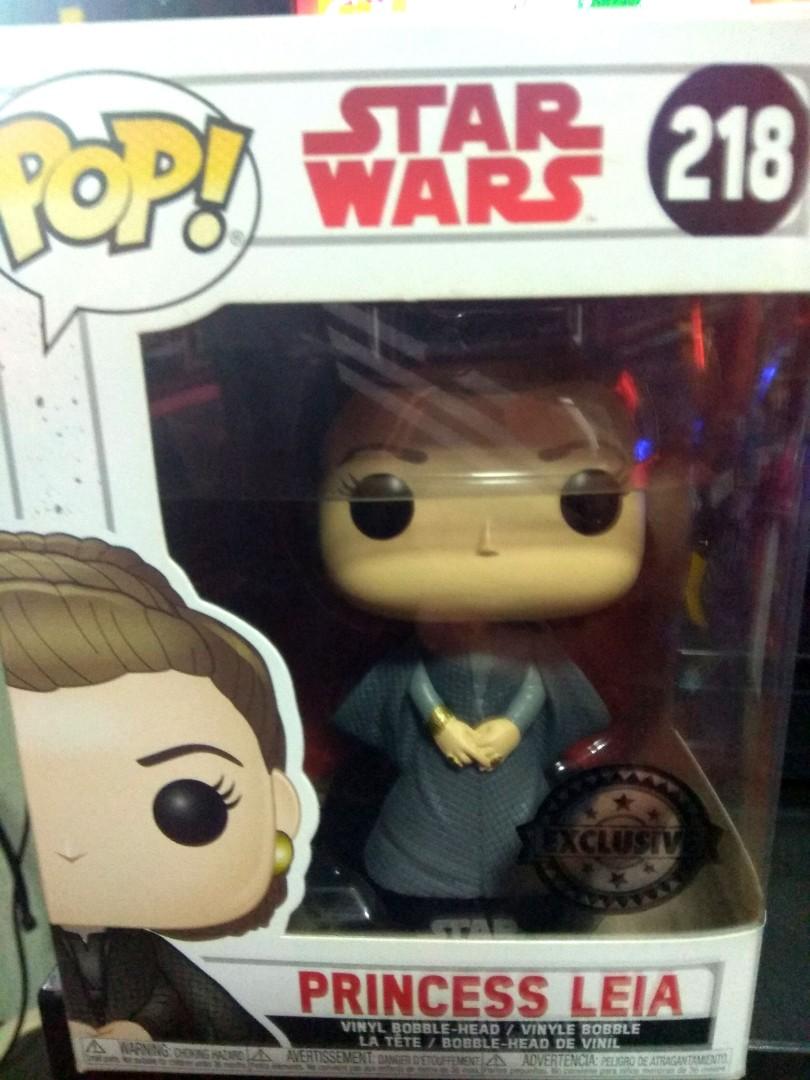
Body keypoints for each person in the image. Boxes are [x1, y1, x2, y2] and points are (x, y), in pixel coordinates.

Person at [319, 365, 646, 930]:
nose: (487, 542)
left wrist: (514, 727)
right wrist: (441, 722)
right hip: (430, 788)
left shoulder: (536, 647)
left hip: (515, 781)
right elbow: (414, 682)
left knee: (525, 838)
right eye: (385, 502)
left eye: (583, 499)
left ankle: (522, 885)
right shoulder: (415, 651)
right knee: (424, 830)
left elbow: (539, 684)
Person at [0, 531, 300, 1043]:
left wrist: (143, 1027)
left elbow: (186, 1003)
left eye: (188, 805)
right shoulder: (21, 945)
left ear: (280, 809)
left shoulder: (152, 946)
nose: (69, 848)